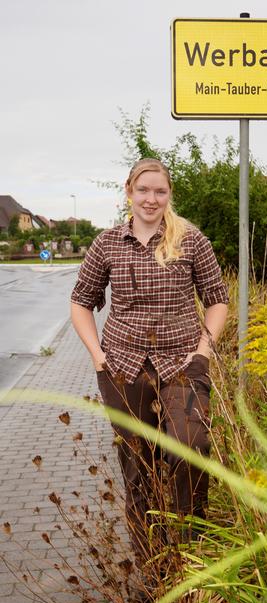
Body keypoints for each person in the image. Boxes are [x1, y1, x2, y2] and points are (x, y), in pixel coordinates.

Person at [70, 158, 228, 560]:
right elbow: (81, 302)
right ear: (129, 191)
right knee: (138, 464)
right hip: (123, 368)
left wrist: (202, 352)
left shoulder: (191, 241)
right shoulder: (107, 244)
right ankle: (151, 562)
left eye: (160, 191)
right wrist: (97, 356)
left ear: (169, 194)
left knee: (190, 446)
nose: (151, 199)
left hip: (183, 365)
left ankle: (191, 550)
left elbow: (217, 301)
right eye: (143, 190)